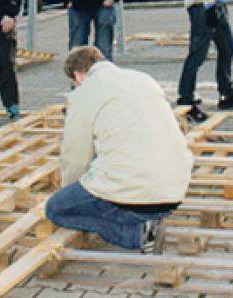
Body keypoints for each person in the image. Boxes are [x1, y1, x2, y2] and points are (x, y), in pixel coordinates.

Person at [46, 46, 193, 254]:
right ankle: (147, 220)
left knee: (56, 208)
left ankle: (136, 234)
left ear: (78, 76)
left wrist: (71, 191)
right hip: (175, 189)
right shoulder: (143, 79)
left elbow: (75, 158)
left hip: (136, 195)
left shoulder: (83, 94)